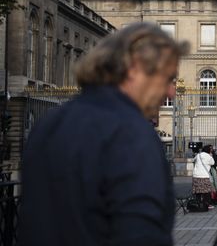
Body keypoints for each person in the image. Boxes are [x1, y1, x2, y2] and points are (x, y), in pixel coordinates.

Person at [20, 22, 189, 246]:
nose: (171, 92)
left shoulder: (48, 124)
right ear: (135, 69)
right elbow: (141, 235)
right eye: (168, 79)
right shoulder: (131, 133)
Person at [194, 144, 216, 211]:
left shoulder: (198, 155)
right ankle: (206, 204)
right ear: (209, 150)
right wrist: (211, 156)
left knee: (198, 191)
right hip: (204, 176)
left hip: (196, 175)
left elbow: (194, 160)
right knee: (206, 191)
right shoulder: (209, 156)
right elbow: (213, 163)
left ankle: (198, 204)